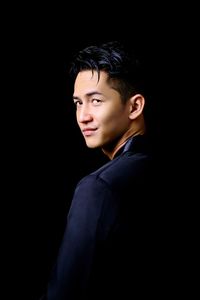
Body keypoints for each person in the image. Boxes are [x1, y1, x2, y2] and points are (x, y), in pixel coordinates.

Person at [40, 41, 166, 299]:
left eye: (95, 101)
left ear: (135, 107)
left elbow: (64, 295)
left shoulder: (99, 187)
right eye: (77, 103)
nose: (83, 116)